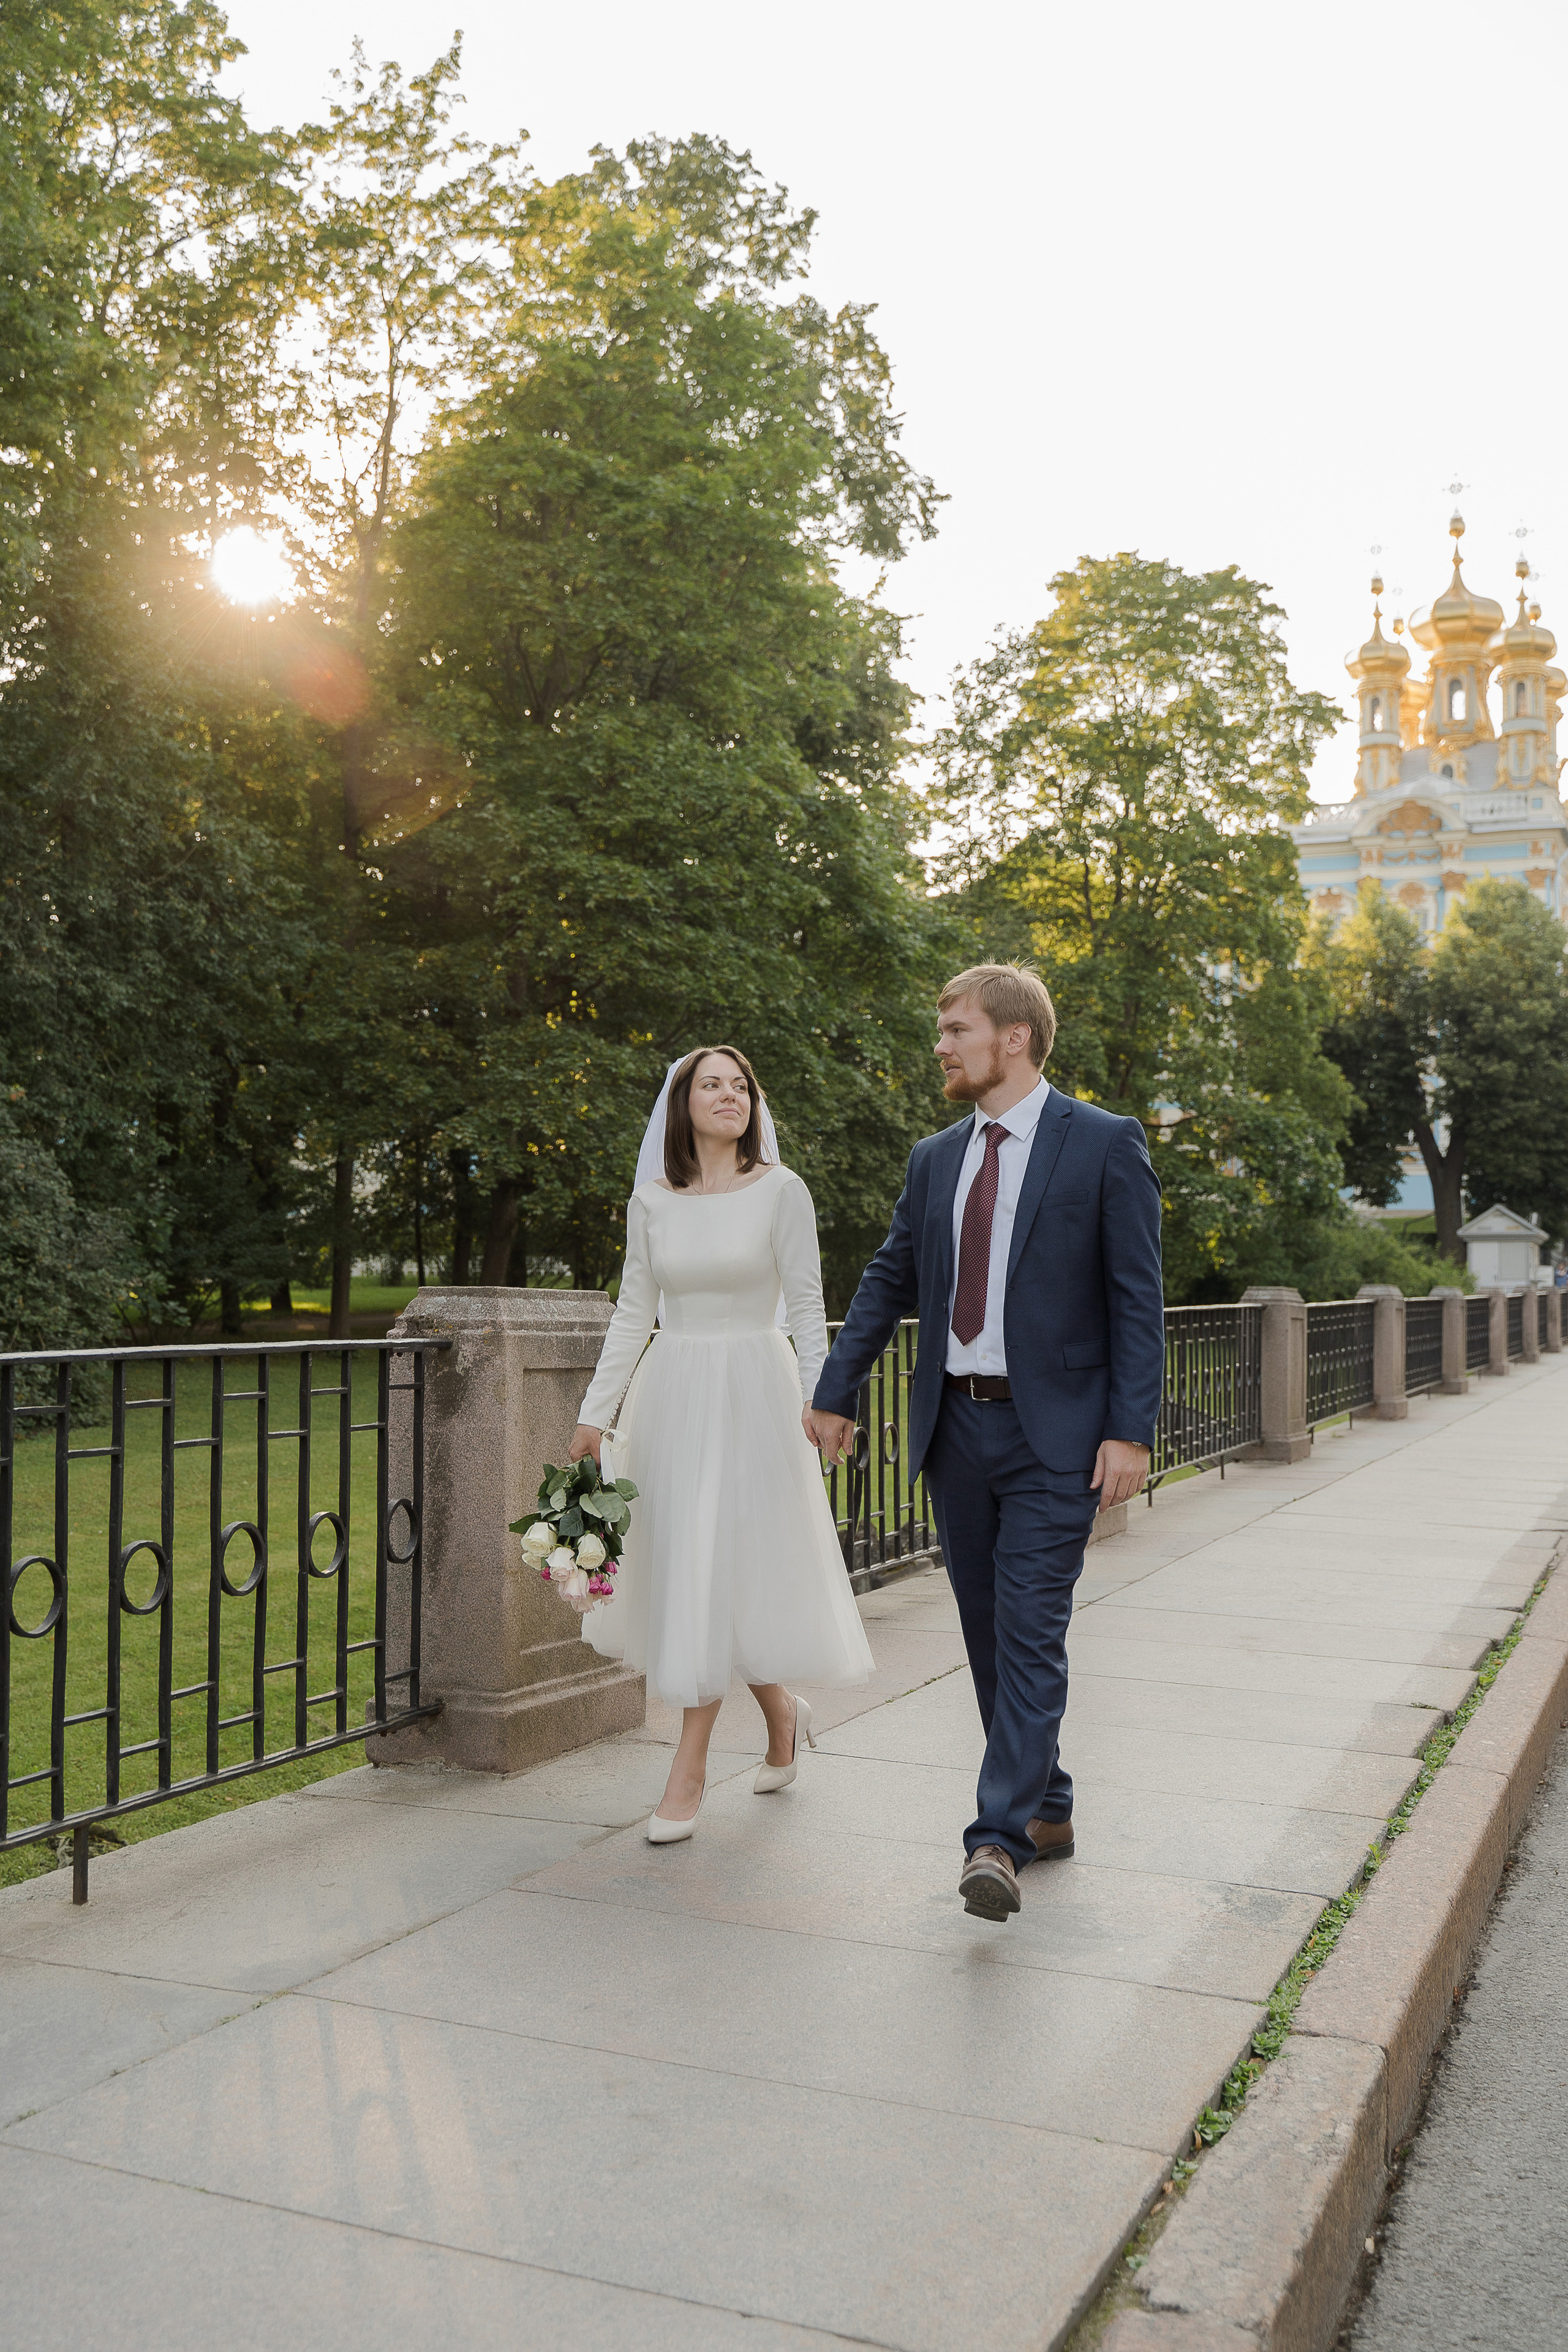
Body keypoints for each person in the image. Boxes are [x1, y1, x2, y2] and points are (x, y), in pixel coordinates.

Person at [805, 965, 1165, 1923]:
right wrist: (837, 1390)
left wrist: (1132, 1428)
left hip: (1059, 1435)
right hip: (955, 1428)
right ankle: (1046, 1806)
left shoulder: (1101, 1144)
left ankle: (994, 1841)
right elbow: (890, 1277)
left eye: (955, 1029)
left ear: (1012, 1037)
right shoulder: (935, 1158)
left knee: (1031, 1629)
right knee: (986, 1634)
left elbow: (1138, 1298)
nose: (942, 1045)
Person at [569, 1046, 873, 1842]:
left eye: (741, 1085)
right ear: (684, 1104)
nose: (729, 1095)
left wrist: (823, 1398)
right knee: (696, 1567)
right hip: (674, 1393)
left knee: (722, 1563)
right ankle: (782, 1717)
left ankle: (688, 1770)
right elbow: (634, 1313)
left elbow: (807, 1309)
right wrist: (593, 1415)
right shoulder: (653, 1203)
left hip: (759, 1397)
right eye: (712, 1084)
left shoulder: (782, 1192)